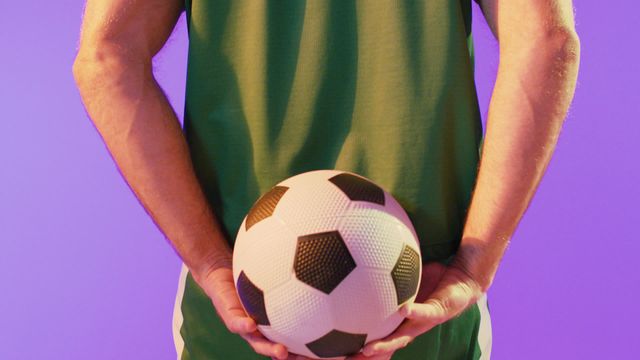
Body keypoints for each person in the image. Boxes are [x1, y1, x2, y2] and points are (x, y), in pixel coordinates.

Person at [72, 0, 579, 359]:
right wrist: (473, 265)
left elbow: (107, 59)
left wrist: (210, 264)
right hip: (423, 301)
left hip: (242, 307)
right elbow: (546, 41)